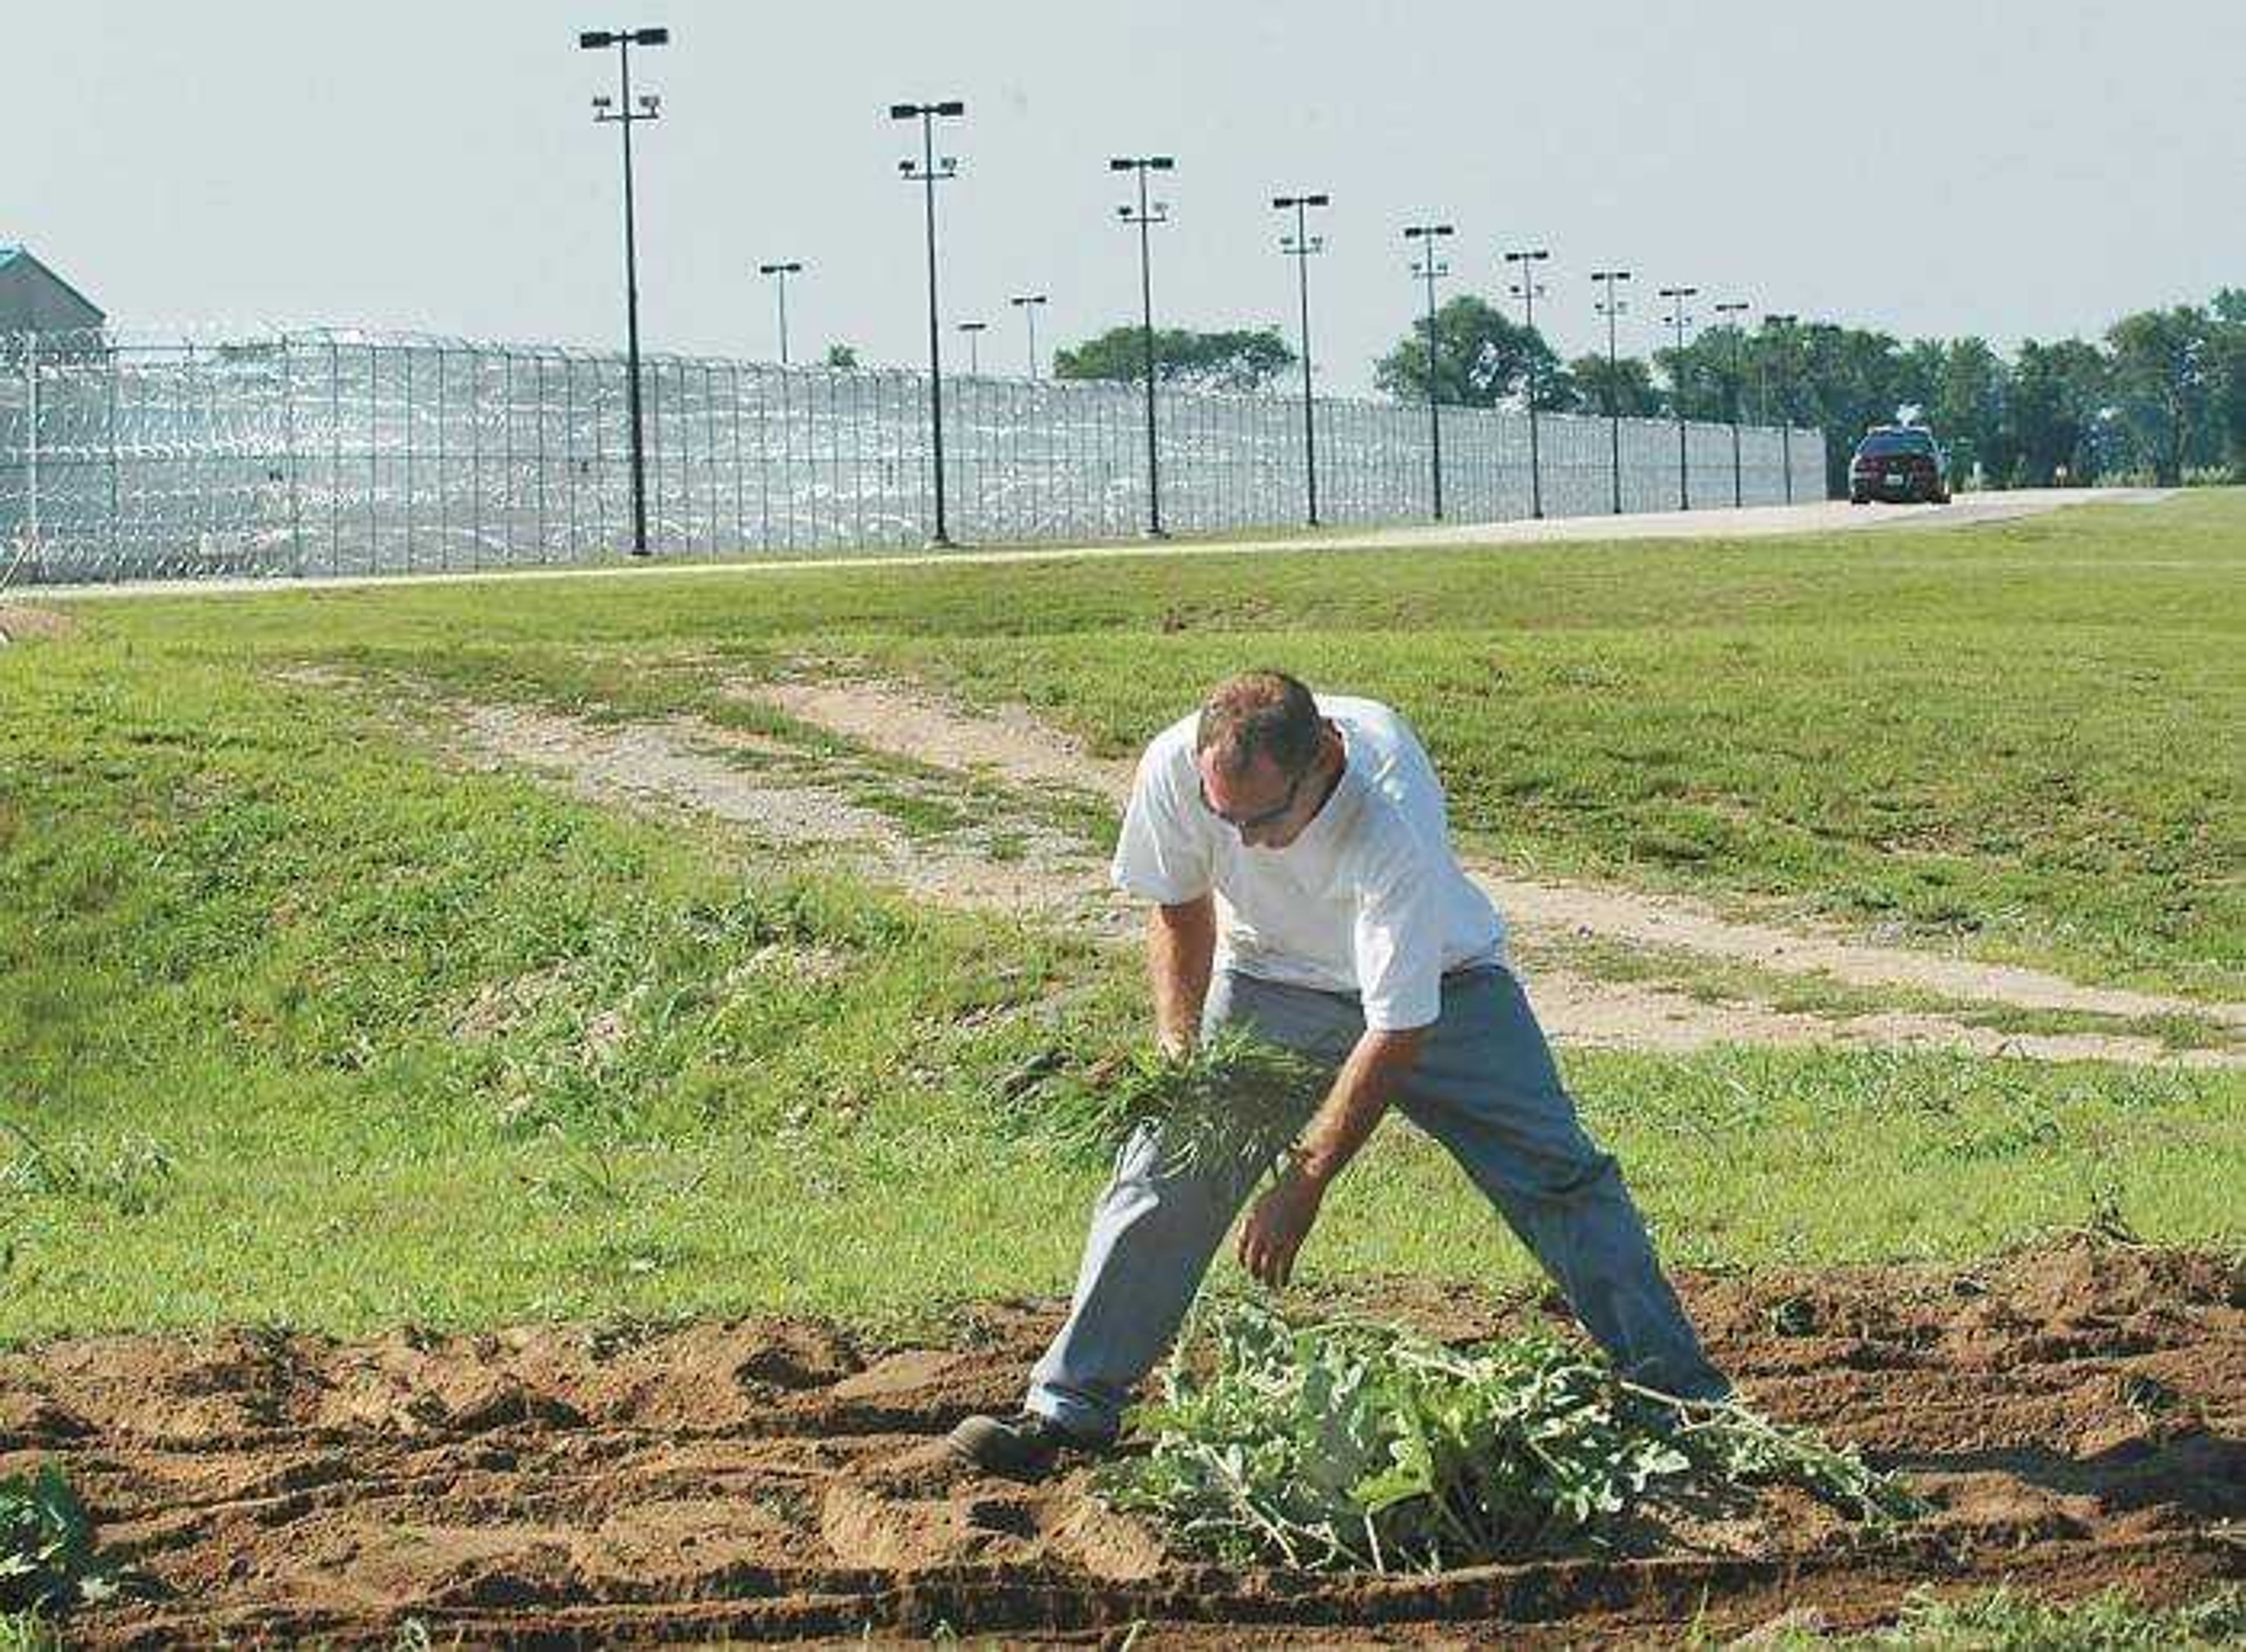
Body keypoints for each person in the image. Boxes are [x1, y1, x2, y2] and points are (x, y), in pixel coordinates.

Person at [949, 670, 1727, 1477]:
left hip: (1447, 988)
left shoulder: (1391, 801)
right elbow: (1181, 907)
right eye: (1227, 818)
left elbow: (1399, 1025)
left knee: (1558, 1173)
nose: (1245, 842)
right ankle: (1071, 1409)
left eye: (1266, 818)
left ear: (1322, 757)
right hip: (1272, 983)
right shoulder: (1177, 769)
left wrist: (1304, 1183)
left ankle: (1681, 1396)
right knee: (1169, 1165)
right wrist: (1181, 1050)